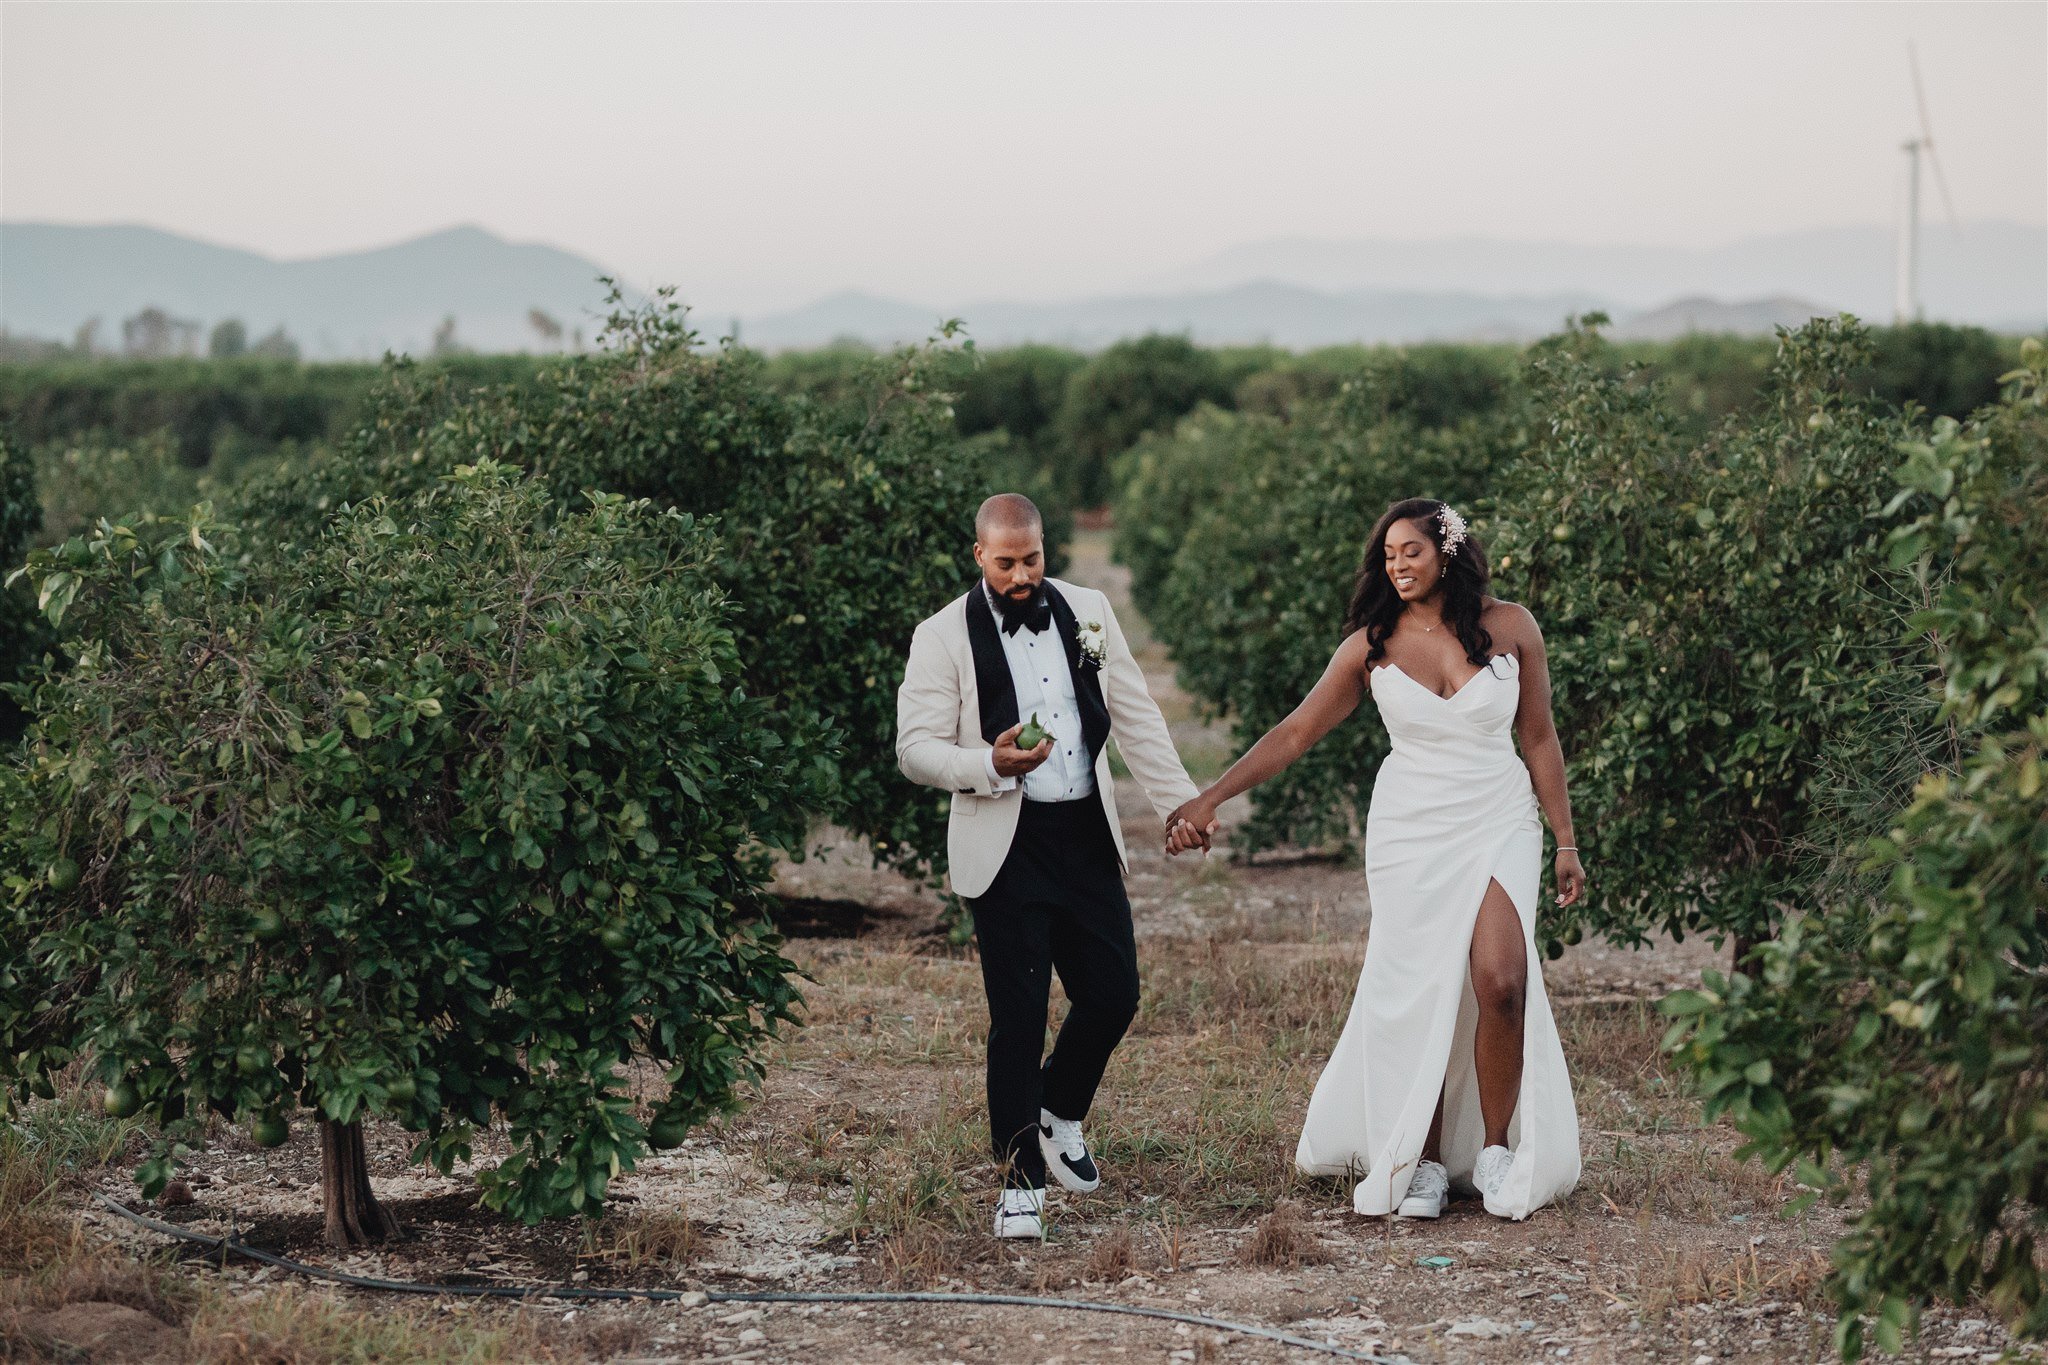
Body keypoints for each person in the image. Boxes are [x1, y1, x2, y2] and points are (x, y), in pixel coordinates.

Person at [1165, 498, 1584, 1220]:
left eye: (1410, 550)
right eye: (1387, 554)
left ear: (1447, 552)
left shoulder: (1512, 627)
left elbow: (1540, 738)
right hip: (1411, 830)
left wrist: (1566, 840)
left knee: (1502, 979)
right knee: (1419, 987)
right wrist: (1211, 797)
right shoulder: (1371, 643)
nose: (1396, 563)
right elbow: (1296, 732)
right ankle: (1416, 1159)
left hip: (1499, 817)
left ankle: (1492, 1149)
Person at [896, 493, 1214, 1240]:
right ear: (979, 556)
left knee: (1114, 995)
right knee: (1019, 1017)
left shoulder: (1090, 609)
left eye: (1031, 559)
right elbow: (913, 747)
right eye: (1004, 562)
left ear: (1045, 550)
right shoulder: (941, 636)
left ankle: (1057, 1110)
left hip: (1085, 832)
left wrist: (1182, 804)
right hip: (1007, 841)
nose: (1020, 574)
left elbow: (1135, 713)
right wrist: (987, 760)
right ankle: (1019, 1184)